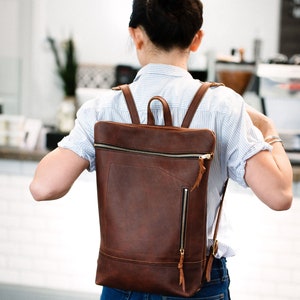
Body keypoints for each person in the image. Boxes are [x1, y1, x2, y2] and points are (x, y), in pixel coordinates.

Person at [30, 0, 293, 299]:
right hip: (197, 281)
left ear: (136, 35)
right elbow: (280, 195)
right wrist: (269, 131)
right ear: (197, 39)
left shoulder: (103, 109)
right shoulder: (224, 107)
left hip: (124, 278)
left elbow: (43, 187)